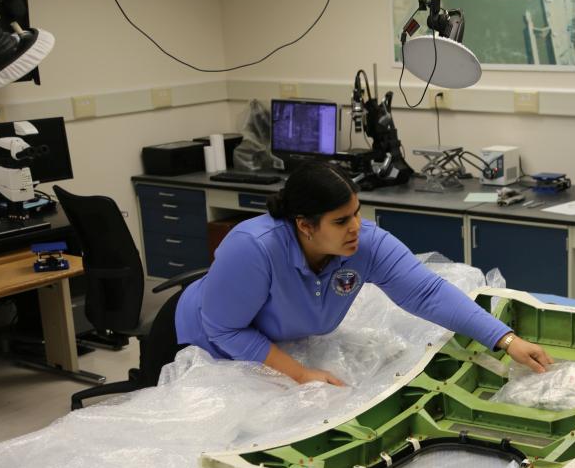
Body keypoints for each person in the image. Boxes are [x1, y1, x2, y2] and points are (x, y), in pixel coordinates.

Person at [174, 161, 552, 384]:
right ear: (305, 226)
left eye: (357, 212)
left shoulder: (364, 244)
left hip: (268, 346)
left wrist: (505, 340)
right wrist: (301, 375)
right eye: (341, 221)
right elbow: (226, 328)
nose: (357, 226)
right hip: (202, 345)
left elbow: (427, 294)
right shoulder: (254, 248)